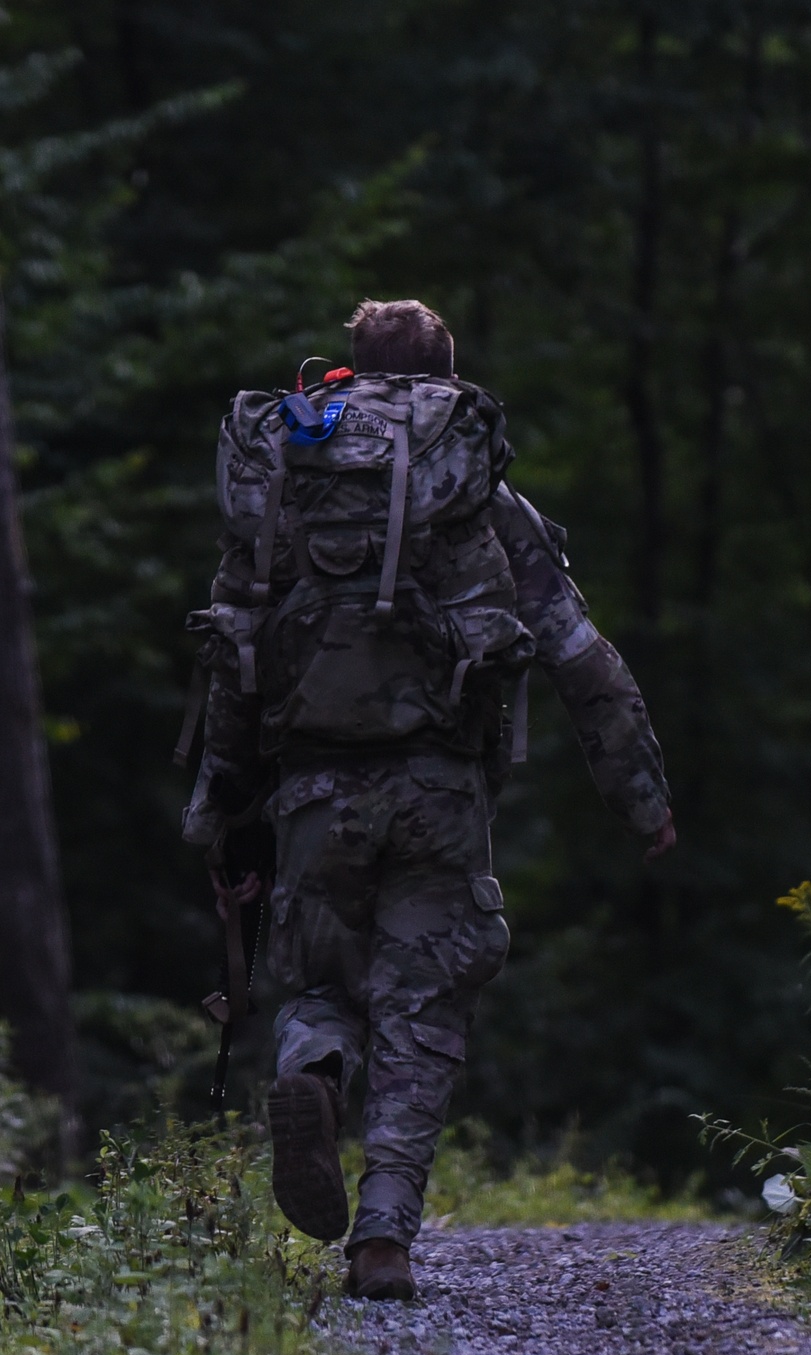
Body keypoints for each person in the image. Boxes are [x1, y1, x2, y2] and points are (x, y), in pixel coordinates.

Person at [181, 299, 674, 1301]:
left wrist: (222, 804)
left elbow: (229, 658)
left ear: (354, 373)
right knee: (425, 1004)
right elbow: (585, 661)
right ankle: (383, 1237)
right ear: (445, 381)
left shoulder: (284, 496)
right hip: (440, 790)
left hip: (311, 789)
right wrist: (643, 800)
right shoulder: (481, 500)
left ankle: (312, 1072)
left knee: (322, 986)